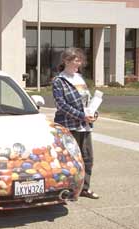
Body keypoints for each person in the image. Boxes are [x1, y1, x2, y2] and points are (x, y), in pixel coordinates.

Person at [52, 47, 99, 199]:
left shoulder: (79, 78)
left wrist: (93, 113)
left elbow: (88, 100)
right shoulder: (59, 80)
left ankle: (85, 188)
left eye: (80, 60)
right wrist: (81, 116)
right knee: (69, 159)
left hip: (84, 125)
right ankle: (67, 189)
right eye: (76, 60)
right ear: (66, 61)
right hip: (68, 125)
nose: (78, 63)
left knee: (87, 158)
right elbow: (61, 105)